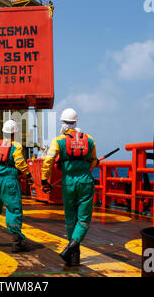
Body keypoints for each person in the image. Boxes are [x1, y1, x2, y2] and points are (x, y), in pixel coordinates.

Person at [41, 109, 98, 266]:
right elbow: (93, 161)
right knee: (84, 219)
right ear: (76, 122)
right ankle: (71, 249)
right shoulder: (90, 140)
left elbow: (48, 161)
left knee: (70, 218)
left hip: (68, 183)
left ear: (62, 123)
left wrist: (44, 179)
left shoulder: (58, 141)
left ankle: (73, 255)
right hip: (85, 181)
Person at [0, 120, 34, 253]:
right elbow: (20, 163)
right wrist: (28, 175)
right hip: (10, 181)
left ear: (4, 132)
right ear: (14, 134)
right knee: (13, 209)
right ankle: (16, 243)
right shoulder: (16, 147)